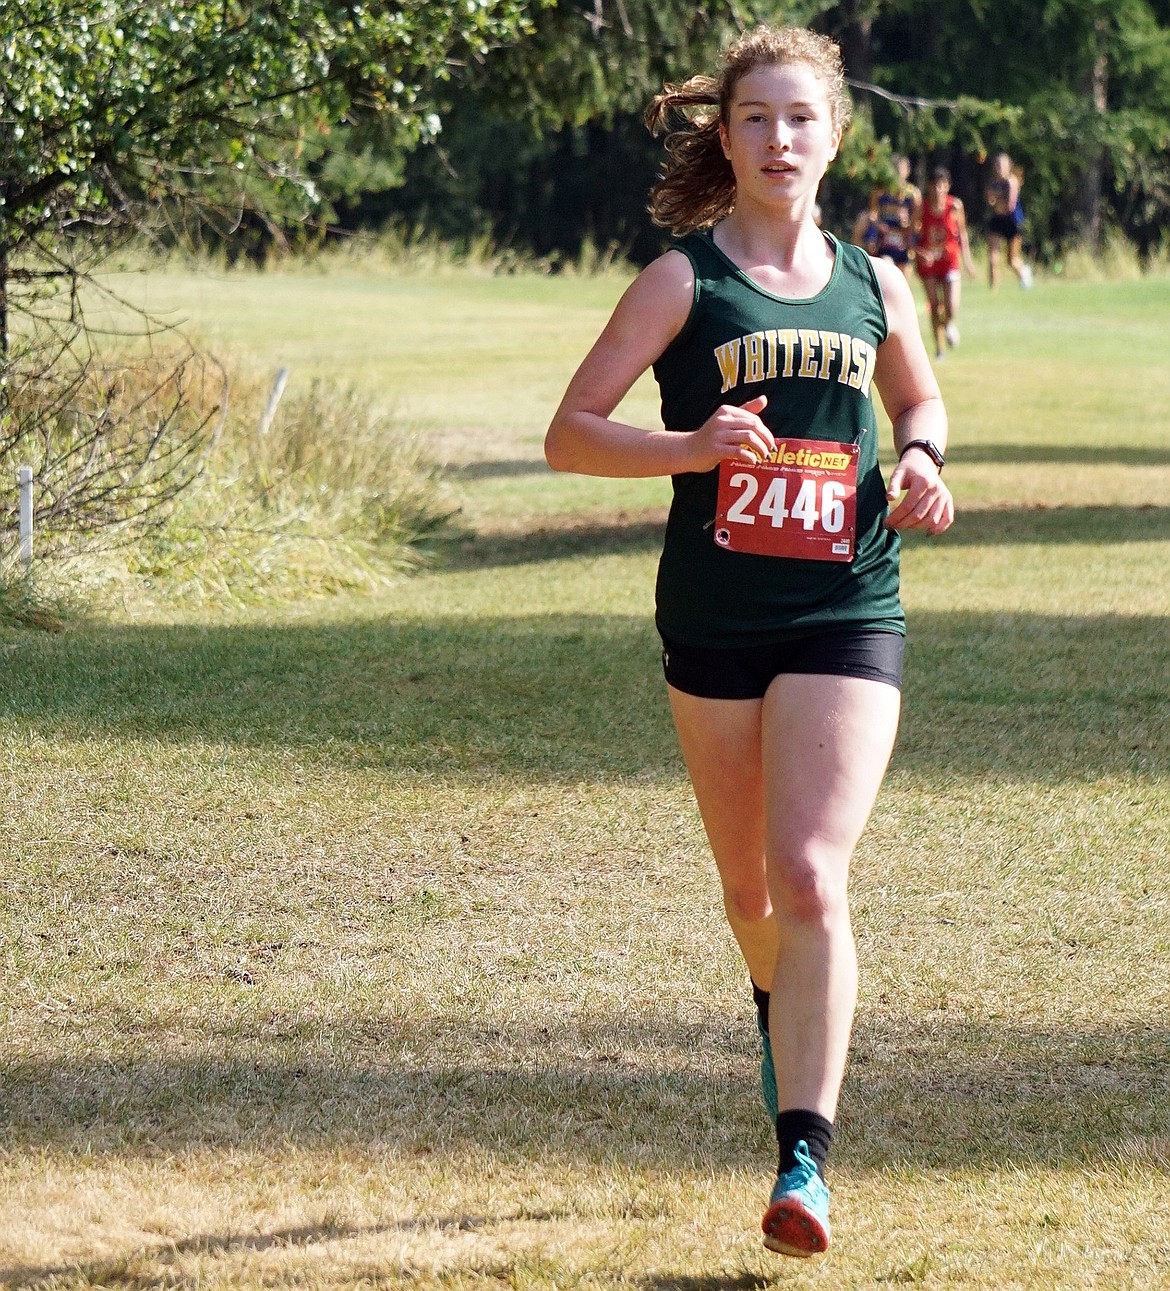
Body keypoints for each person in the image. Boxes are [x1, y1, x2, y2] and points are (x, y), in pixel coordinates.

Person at [544, 24, 953, 1259]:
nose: (781, 139)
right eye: (757, 119)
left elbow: (916, 395)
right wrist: (688, 447)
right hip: (715, 621)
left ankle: (804, 1162)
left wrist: (925, 458)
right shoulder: (682, 282)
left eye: (801, 118)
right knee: (750, 891)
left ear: (835, 136)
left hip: (845, 609)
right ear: (727, 138)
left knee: (812, 871)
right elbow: (568, 433)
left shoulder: (875, 281)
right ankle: (782, 1004)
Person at [914, 165, 976, 358]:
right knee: (934, 305)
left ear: (948, 186)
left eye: (942, 184)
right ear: (929, 186)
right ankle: (940, 349)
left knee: (951, 306)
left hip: (950, 262)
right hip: (928, 264)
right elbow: (911, 237)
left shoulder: (955, 206)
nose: (938, 189)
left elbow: (962, 235)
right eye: (935, 185)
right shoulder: (921, 208)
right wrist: (920, 253)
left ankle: (949, 323)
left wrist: (968, 261)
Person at [984, 151, 1033, 288]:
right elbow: (990, 201)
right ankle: (993, 290)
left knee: (1011, 260)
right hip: (997, 220)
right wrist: (995, 202)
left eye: (1002, 165)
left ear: (1009, 166)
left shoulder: (1012, 182)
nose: (999, 168)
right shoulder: (992, 183)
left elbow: (1009, 206)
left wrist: (996, 202)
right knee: (993, 257)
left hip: (1012, 222)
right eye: (997, 165)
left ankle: (1024, 273)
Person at [869, 154, 921, 279]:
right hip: (885, 243)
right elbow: (872, 214)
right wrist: (878, 226)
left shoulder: (913, 194)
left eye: (901, 169)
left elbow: (917, 222)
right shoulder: (880, 192)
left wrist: (907, 225)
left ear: (907, 171)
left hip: (903, 242)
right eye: (894, 169)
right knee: (887, 274)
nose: (898, 172)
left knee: (902, 282)